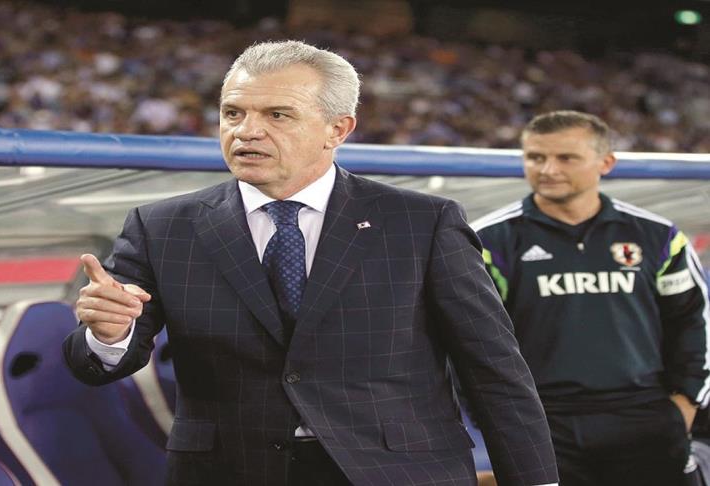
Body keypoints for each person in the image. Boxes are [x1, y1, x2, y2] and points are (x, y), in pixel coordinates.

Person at [63, 40, 558, 486]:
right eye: (233, 113)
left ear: (337, 129)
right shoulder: (161, 226)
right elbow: (99, 362)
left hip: (399, 471)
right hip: (229, 470)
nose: (246, 131)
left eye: (277, 115)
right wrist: (109, 335)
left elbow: (492, 369)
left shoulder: (423, 222)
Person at [473, 110, 710, 486]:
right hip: (541, 419)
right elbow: (470, 341)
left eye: (566, 158)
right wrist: (500, 417)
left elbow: (693, 321)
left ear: (606, 162)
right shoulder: (487, 240)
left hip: (644, 414)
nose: (548, 169)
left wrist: (686, 402)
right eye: (535, 157)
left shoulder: (658, 236)